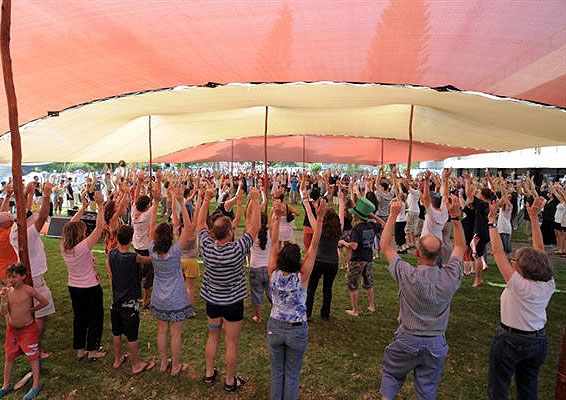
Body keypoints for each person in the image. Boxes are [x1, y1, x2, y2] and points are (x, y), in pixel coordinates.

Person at [379, 195, 466, 400]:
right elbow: (460, 247)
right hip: (436, 343)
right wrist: (455, 216)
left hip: (407, 338)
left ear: (417, 253)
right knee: (427, 390)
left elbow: (385, 246)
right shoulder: (450, 277)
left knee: (391, 375)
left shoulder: (407, 274)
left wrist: (392, 216)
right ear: (440, 255)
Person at [487, 196, 555, 400]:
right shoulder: (548, 283)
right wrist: (534, 218)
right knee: (528, 387)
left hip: (511, 340)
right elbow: (540, 252)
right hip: (538, 340)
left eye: (515, 260)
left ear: (522, 269)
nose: (512, 261)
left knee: (499, 387)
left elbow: (498, 252)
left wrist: (491, 222)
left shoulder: (519, 284)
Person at [198, 186, 260, 392]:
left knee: (212, 337)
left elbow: (200, 223)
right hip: (233, 304)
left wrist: (206, 198)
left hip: (213, 303)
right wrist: (255, 199)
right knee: (231, 343)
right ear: (230, 232)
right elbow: (254, 228)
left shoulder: (206, 246)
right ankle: (230, 380)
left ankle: (209, 373)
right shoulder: (237, 249)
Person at [267, 199, 326, 400]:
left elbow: (273, 242)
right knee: (291, 375)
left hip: (275, 325)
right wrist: (319, 220)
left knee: (277, 374)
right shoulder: (301, 277)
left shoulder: (272, 273)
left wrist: (277, 217)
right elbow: (315, 245)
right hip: (296, 329)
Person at [148, 178, 195, 376]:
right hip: (176, 296)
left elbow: (151, 230)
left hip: (159, 296)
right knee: (175, 333)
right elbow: (190, 228)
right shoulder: (175, 251)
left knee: (161, 331)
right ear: (171, 237)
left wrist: (157, 202)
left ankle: (163, 363)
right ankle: (175, 366)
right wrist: (181, 203)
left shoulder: (151, 248)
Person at [10, 182, 56, 360]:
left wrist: (27, 193)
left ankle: (26, 345)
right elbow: (43, 216)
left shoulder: (15, 229)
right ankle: (35, 348)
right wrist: (45, 194)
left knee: (31, 312)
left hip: (27, 273)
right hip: (35, 277)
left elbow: (24, 210)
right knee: (42, 314)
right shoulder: (28, 233)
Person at [61, 191, 107, 361]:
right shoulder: (83, 247)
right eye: (82, 229)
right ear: (79, 234)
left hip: (73, 287)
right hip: (90, 288)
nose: (85, 230)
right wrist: (101, 206)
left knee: (79, 318)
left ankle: (80, 350)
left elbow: (69, 225)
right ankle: (93, 351)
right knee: (95, 318)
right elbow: (99, 228)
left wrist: (83, 208)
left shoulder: (64, 247)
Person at [108, 225, 156, 374]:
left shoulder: (112, 254)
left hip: (115, 301)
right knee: (132, 335)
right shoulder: (133, 257)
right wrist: (155, 246)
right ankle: (136, 365)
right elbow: (150, 260)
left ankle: (117, 359)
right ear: (131, 239)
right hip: (130, 303)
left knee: (117, 332)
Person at [0, 263, 48, 400]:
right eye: (9, 277)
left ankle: (36, 385)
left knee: (33, 357)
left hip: (28, 330)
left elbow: (45, 302)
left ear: (23, 276)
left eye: (14, 277)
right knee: (9, 357)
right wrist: (3, 300)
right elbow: (3, 312)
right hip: (12, 331)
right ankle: (6, 385)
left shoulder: (29, 290)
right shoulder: (8, 292)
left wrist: (33, 310)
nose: (11, 280)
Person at [304, 190, 344, 321]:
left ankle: (307, 313)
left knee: (311, 288)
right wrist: (341, 200)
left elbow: (310, 214)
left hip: (318, 261)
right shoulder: (339, 229)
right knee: (328, 289)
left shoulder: (318, 228)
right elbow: (342, 213)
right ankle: (325, 315)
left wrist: (305, 200)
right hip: (332, 262)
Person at [341, 197, 381, 317]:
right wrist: (372, 216)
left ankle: (355, 310)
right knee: (368, 282)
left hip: (357, 259)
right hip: (368, 258)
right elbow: (382, 224)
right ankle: (371, 306)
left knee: (353, 283)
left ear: (357, 217)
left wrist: (343, 243)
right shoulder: (371, 225)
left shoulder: (357, 229)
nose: (352, 216)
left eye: (353, 215)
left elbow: (354, 246)